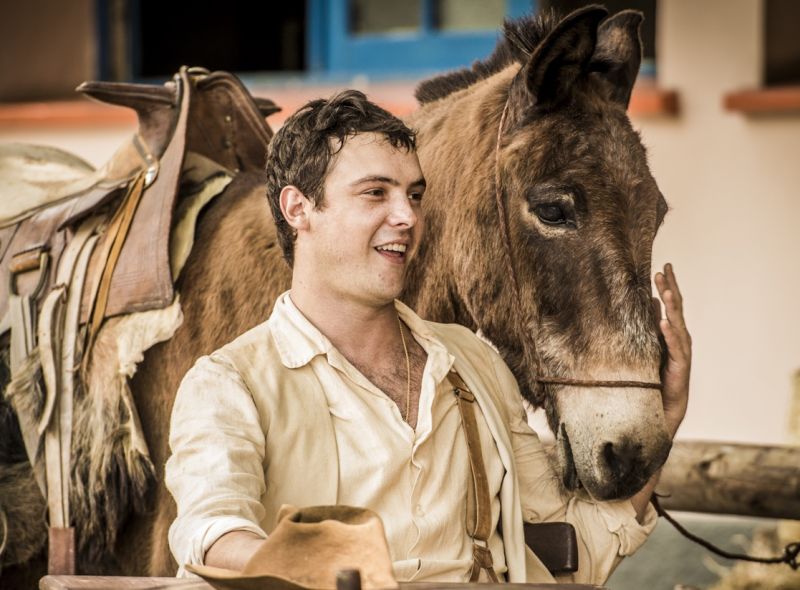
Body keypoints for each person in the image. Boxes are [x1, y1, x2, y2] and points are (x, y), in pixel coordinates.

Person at [165, 90, 691, 584]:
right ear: (298, 209)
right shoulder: (229, 383)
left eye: (414, 194)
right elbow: (211, 532)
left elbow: (574, 554)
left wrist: (665, 417)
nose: (408, 216)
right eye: (376, 193)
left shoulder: (474, 364)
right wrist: (322, 571)